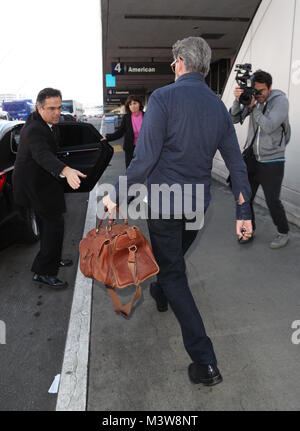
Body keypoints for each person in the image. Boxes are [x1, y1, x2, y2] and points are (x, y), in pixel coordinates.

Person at [103, 37, 252, 386]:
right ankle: (159, 292)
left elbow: (145, 158)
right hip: (196, 205)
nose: (173, 68)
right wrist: (244, 211)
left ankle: (205, 362)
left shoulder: (163, 99)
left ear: (181, 62)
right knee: (172, 261)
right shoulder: (217, 107)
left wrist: (118, 195)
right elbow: (235, 161)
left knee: (173, 272)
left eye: (173, 63)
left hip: (165, 204)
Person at [13, 88, 86, 289]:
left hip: (44, 183)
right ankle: (44, 272)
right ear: (39, 107)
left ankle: (52, 258)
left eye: (60, 107)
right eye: (52, 108)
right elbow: (42, 154)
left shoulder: (47, 124)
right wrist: (66, 170)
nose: (57, 112)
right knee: (54, 226)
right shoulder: (34, 129)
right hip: (35, 187)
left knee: (50, 227)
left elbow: (58, 145)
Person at [231, 70, 290, 249]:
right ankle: (248, 229)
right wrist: (238, 99)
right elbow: (233, 118)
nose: (258, 95)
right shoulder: (253, 98)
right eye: (255, 91)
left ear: (269, 87)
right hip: (252, 158)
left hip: (273, 160)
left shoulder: (280, 101)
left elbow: (269, 126)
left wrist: (253, 106)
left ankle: (283, 232)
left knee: (272, 201)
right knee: (244, 197)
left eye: (261, 91)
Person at [105, 95, 144, 168]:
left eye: (135, 103)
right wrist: (107, 137)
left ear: (139, 104)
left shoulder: (146, 115)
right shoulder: (126, 118)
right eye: (130, 104)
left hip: (144, 148)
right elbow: (120, 132)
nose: (133, 106)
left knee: (144, 170)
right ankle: (124, 180)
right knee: (129, 169)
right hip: (130, 148)